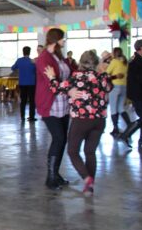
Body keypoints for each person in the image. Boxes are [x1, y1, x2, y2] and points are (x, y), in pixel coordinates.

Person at [44, 51, 112, 196]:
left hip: (81, 120)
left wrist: (51, 77)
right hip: (99, 121)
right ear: (96, 63)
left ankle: (86, 178)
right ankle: (90, 186)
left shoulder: (76, 77)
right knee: (90, 152)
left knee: (73, 151)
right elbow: (108, 88)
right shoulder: (103, 77)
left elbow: (57, 89)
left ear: (81, 62)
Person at [36, 28, 73, 190]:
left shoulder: (59, 58)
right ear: (56, 40)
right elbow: (52, 84)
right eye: (62, 39)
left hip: (63, 103)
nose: (64, 41)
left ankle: (55, 174)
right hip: (50, 104)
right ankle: (50, 177)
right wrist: (67, 88)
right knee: (58, 138)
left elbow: (65, 77)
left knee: (62, 139)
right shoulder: (44, 58)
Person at [105, 47, 129, 136]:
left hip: (114, 86)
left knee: (113, 108)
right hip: (124, 86)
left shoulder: (114, 61)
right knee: (121, 108)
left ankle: (115, 128)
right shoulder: (125, 62)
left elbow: (107, 73)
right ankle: (129, 124)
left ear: (114, 53)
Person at [12, 46, 36, 123]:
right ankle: (31, 117)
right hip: (32, 83)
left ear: (23, 52)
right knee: (32, 100)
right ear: (30, 52)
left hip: (22, 83)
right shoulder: (32, 61)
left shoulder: (19, 60)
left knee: (23, 100)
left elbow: (13, 68)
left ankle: (22, 116)